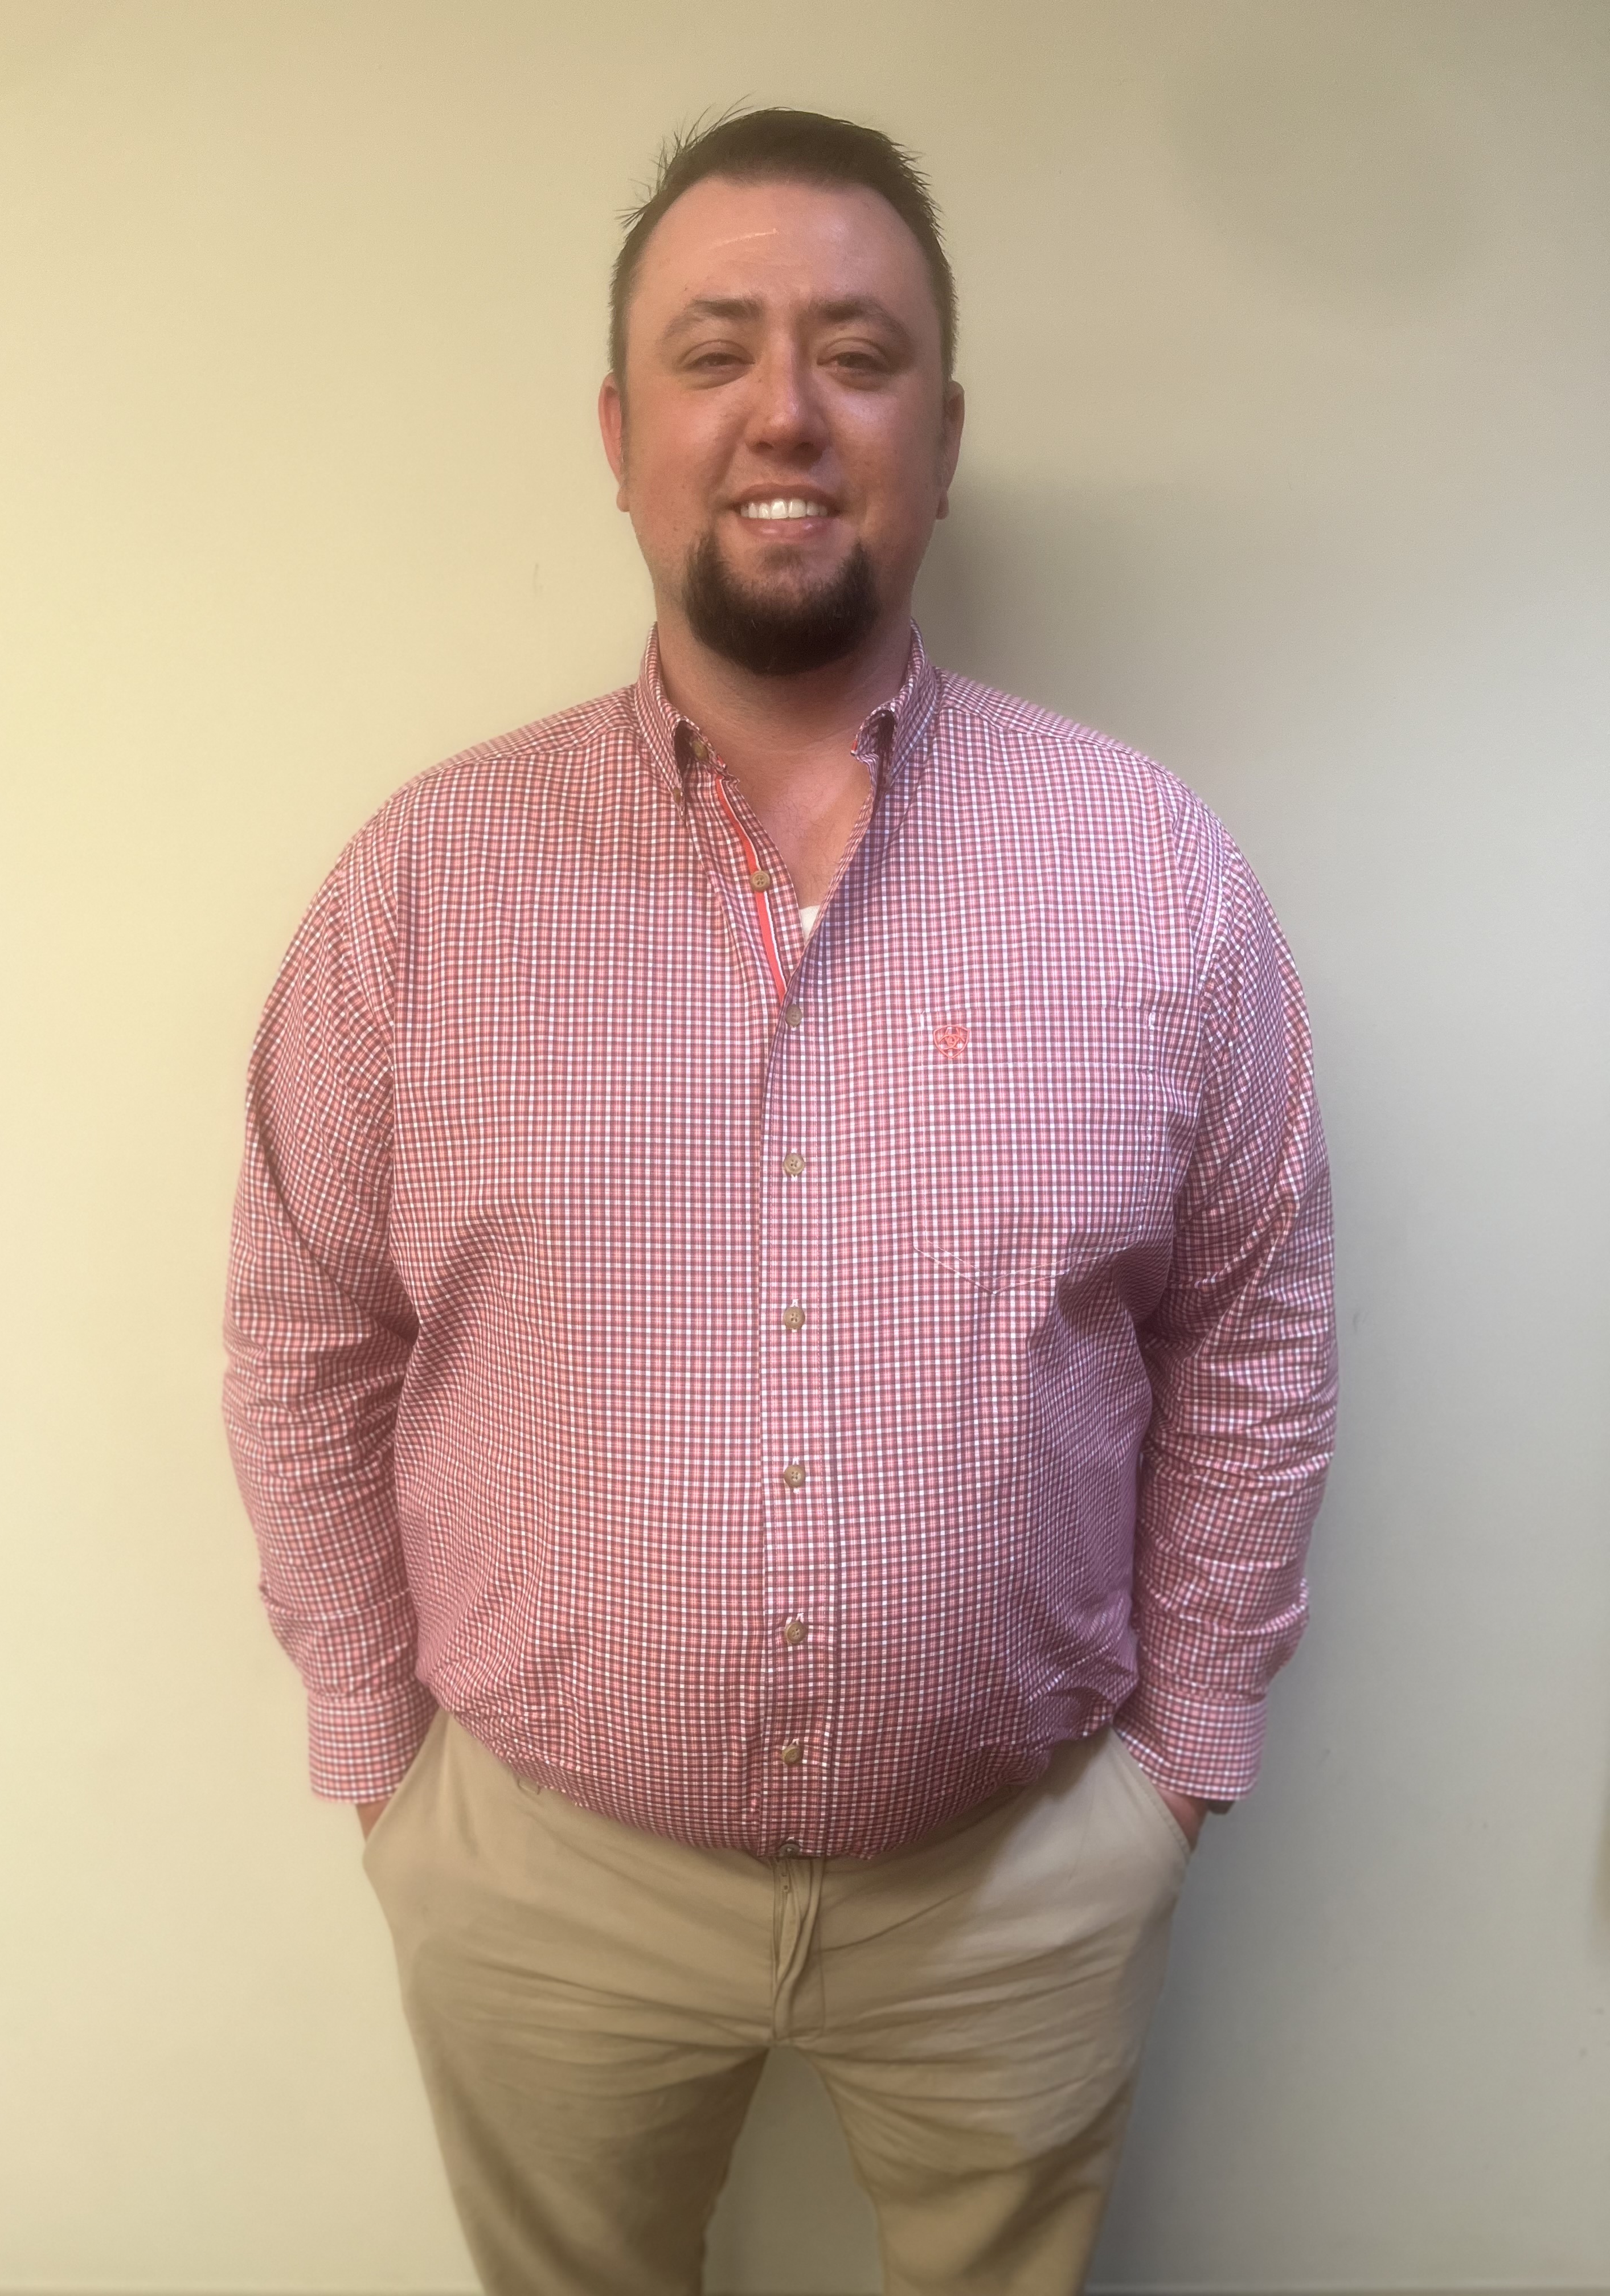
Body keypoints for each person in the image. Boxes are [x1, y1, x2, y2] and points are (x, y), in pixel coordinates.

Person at [224, 106, 1335, 2296]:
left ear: (944, 434)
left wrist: (1177, 1770)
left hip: (1023, 1882)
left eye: (859, 350)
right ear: (621, 433)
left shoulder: (1151, 872)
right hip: (542, 1883)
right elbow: (303, 1327)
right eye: (716, 350)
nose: (788, 411)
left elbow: (1254, 1324)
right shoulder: (426, 888)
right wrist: (389, 1770)